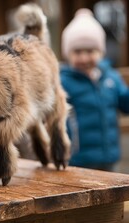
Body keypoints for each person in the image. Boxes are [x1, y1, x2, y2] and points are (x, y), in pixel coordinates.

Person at [61, 9, 129, 171]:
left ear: (100, 52)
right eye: (77, 52)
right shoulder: (62, 81)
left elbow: (125, 105)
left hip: (109, 156)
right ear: (67, 54)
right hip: (78, 159)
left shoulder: (111, 77)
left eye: (90, 51)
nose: (84, 58)